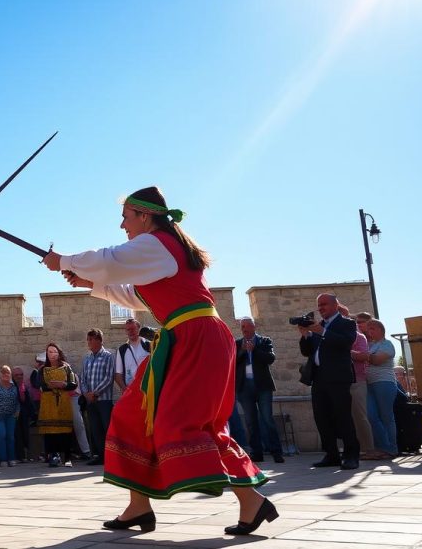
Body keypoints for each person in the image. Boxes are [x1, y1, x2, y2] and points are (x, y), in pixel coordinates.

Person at [44, 186, 272, 535]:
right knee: (132, 414)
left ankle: (251, 500)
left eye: (126, 217)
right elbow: (135, 294)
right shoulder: (160, 250)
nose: (123, 225)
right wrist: (89, 283)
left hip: (197, 339)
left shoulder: (157, 243)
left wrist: (64, 261)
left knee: (194, 423)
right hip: (181, 340)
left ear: (145, 216)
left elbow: (110, 259)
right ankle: (138, 507)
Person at [299, 294, 360, 471]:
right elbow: (307, 352)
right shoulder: (320, 326)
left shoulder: (346, 323)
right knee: (322, 417)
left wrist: (322, 332)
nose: (320, 308)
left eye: (324, 304)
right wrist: (306, 336)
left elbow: (346, 343)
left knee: (343, 417)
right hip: (319, 378)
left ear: (335, 305)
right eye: (319, 305)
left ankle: (351, 455)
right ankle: (331, 455)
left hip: (338, 378)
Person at [234, 317, 284, 463]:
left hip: (262, 387)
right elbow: (232, 361)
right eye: (242, 327)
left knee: (267, 419)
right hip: (244, 388)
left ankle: (277, 452)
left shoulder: (264, 341)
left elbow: (270, 358)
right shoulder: (237, 344)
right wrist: (243, 351)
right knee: (250, 422)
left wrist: (254, 350)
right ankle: (257, 453)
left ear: (254, 327)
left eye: (247, 326)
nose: (245, 329)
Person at [37, 343, 77, 468]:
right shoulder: (42, 369)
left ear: (58, 353)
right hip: (48, 404)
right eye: (50, 352)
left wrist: (63, 385)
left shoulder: (66, 367)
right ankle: (53, 456)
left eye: (55, 352)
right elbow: (40, 385)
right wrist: (50, 386)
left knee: (65, 430)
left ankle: (67, 458)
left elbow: (73, 383)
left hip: (63, 403)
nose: (52, 354)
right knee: (50, 431)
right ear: (47, 354)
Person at [79, 328, 114, 466]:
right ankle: (101, 456)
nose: (89, 342)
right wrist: (87, 393)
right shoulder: (87, 358)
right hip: (90, 401)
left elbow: (109, 377)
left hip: (104, 400)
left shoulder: (108, 356)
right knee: (95, 429)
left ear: (99, 340)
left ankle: (111, 456)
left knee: (107, 428)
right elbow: (82, 379)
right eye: (88, 339)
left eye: (91, 339)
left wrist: (95, 393)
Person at [364, 319, 398, 459]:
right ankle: (382, 447)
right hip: (369, 384)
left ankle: (391, 448)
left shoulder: (387, 344)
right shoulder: (370, 345)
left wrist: (360, 355)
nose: (369, 331)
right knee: (371, 416)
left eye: (372, 328)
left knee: (386, 417)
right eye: (368, 329)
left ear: (380, 330)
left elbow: (377, 360)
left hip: (384, 382)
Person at [350, 311, 379, 460]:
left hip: (357, 380)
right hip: (343, 381)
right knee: (348, 417)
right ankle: (355, 449)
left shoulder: (359, 337)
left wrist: (345, 351)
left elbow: (363, 356)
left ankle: (369, 449)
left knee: (360, 416)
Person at [0, 365, 20, 467]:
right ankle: (3, 459)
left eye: (8, 372)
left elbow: (18, 400)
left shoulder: (14, 386)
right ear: (0, 374)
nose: (6, 374)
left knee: (10, 437)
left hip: (11, 416)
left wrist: (18, 411)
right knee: (1, 436)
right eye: (3, 372)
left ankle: (11, 458)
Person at [115, 318, 150, 391]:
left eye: (133, 328)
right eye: (128, 329)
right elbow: (118, 374)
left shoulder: (148, 345)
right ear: (126, 331)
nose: (131, 331)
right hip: (130, 390)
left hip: (147, 389)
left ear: (138, 329)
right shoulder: (122, 350)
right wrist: (125, 390)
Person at [12, 365, 36, 462]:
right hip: (14, 415)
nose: (19, 376)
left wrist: (33, 414)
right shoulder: (11, 387)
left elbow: (28, 402)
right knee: (17, 435)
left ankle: (25, 455)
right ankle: (19, 456)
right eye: (17, 375)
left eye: (21, 374)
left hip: (24, 415)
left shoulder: (23, 386)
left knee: (25, 434)